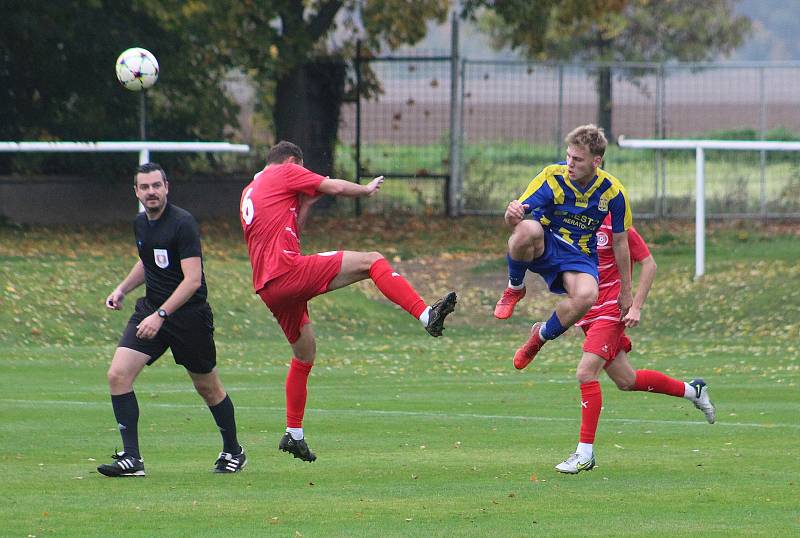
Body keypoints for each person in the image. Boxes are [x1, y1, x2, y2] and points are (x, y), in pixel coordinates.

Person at [240, 141, 457, 462]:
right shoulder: (286, 171)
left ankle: (293, 434)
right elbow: (334, 186)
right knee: (372, 261)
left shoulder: (250, 190)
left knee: (305, 351)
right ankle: (427, 315)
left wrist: (306, 205)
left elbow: (286, 232)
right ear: (290, 162)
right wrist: (365, 190)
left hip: (268, 287)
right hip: (286, 271)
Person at [515, 215, 717, 473]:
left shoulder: (616, 223)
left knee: (586, 373)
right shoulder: (570, 219)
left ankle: (584, 453)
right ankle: (693, 391)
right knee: (627, 380)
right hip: (587, 313)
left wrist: (636, 306)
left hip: (612, 312)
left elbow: (649, 264)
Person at [97, 163, 245, 477]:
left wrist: (161, 315)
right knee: (117, 375)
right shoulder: (140, 223)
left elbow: (192, 280)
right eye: (145, 187)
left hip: (187, 316)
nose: (151, 192)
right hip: (151, 310)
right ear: (136, 192)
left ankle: (233, 450)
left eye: (156, 186)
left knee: (208, 387)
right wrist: (122, 289)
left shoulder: (183, 223)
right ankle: (132, 459)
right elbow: (146, 260)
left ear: (167, 187)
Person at [494, 124, 633, 368]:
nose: (570, 163)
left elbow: (621, 242)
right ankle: (515, 288)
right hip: (545, 242)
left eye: (578, 159)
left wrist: (627, 290)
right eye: (569, 156)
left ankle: (540, 337)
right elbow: (515, 220)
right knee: (526, 229)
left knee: (588, 296)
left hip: (579, 254)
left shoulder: (613, 192)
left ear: (596, 161)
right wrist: (511, 213)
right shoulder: (552, 176)